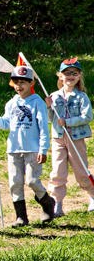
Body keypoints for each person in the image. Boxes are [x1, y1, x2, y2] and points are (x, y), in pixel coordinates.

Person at [0, 65, 56, 225]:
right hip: (14, 149)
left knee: (32, 180)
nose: (19, 86)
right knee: (15, 182)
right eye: (16, 82)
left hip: (33, 149)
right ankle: (21, 217)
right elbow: (6, 123)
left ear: (31, 83)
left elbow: (44, 127)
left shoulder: (37, 101)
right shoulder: (11, 103)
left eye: (23, 82)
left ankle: (47, 203)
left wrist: (43, 149)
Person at [46, 57, 94, 216]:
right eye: (67, 73)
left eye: (74, 73)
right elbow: (48, 118)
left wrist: (67, 122)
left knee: (81, 171)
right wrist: (48, 107)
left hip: (76, 138)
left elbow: (87, 117)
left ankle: (93, 196)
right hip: (58, 138)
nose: (70, 76)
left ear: (79, 76)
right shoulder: (54, 96)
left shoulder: (81, 97)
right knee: (58, 172)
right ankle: (57, 204)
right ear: (60, 76)